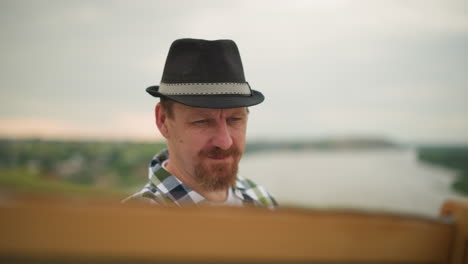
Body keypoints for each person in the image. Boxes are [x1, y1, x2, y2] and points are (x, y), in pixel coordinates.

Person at [124, 38, 277, 208]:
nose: (225, 142)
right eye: (202, 121)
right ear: (163, 121)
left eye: (235, 119)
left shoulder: (261, 200)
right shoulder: (132, 221)